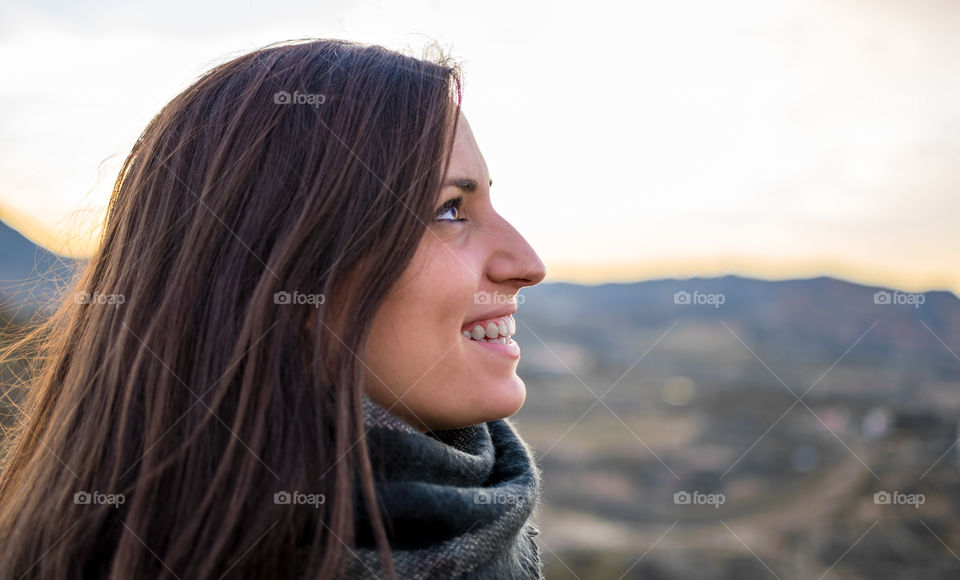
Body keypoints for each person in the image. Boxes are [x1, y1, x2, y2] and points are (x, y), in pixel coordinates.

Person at [0, 38, 547, 579]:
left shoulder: (497, 527)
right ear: (286, 269)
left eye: (485, 201)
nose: (528, 263)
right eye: (450, 209)